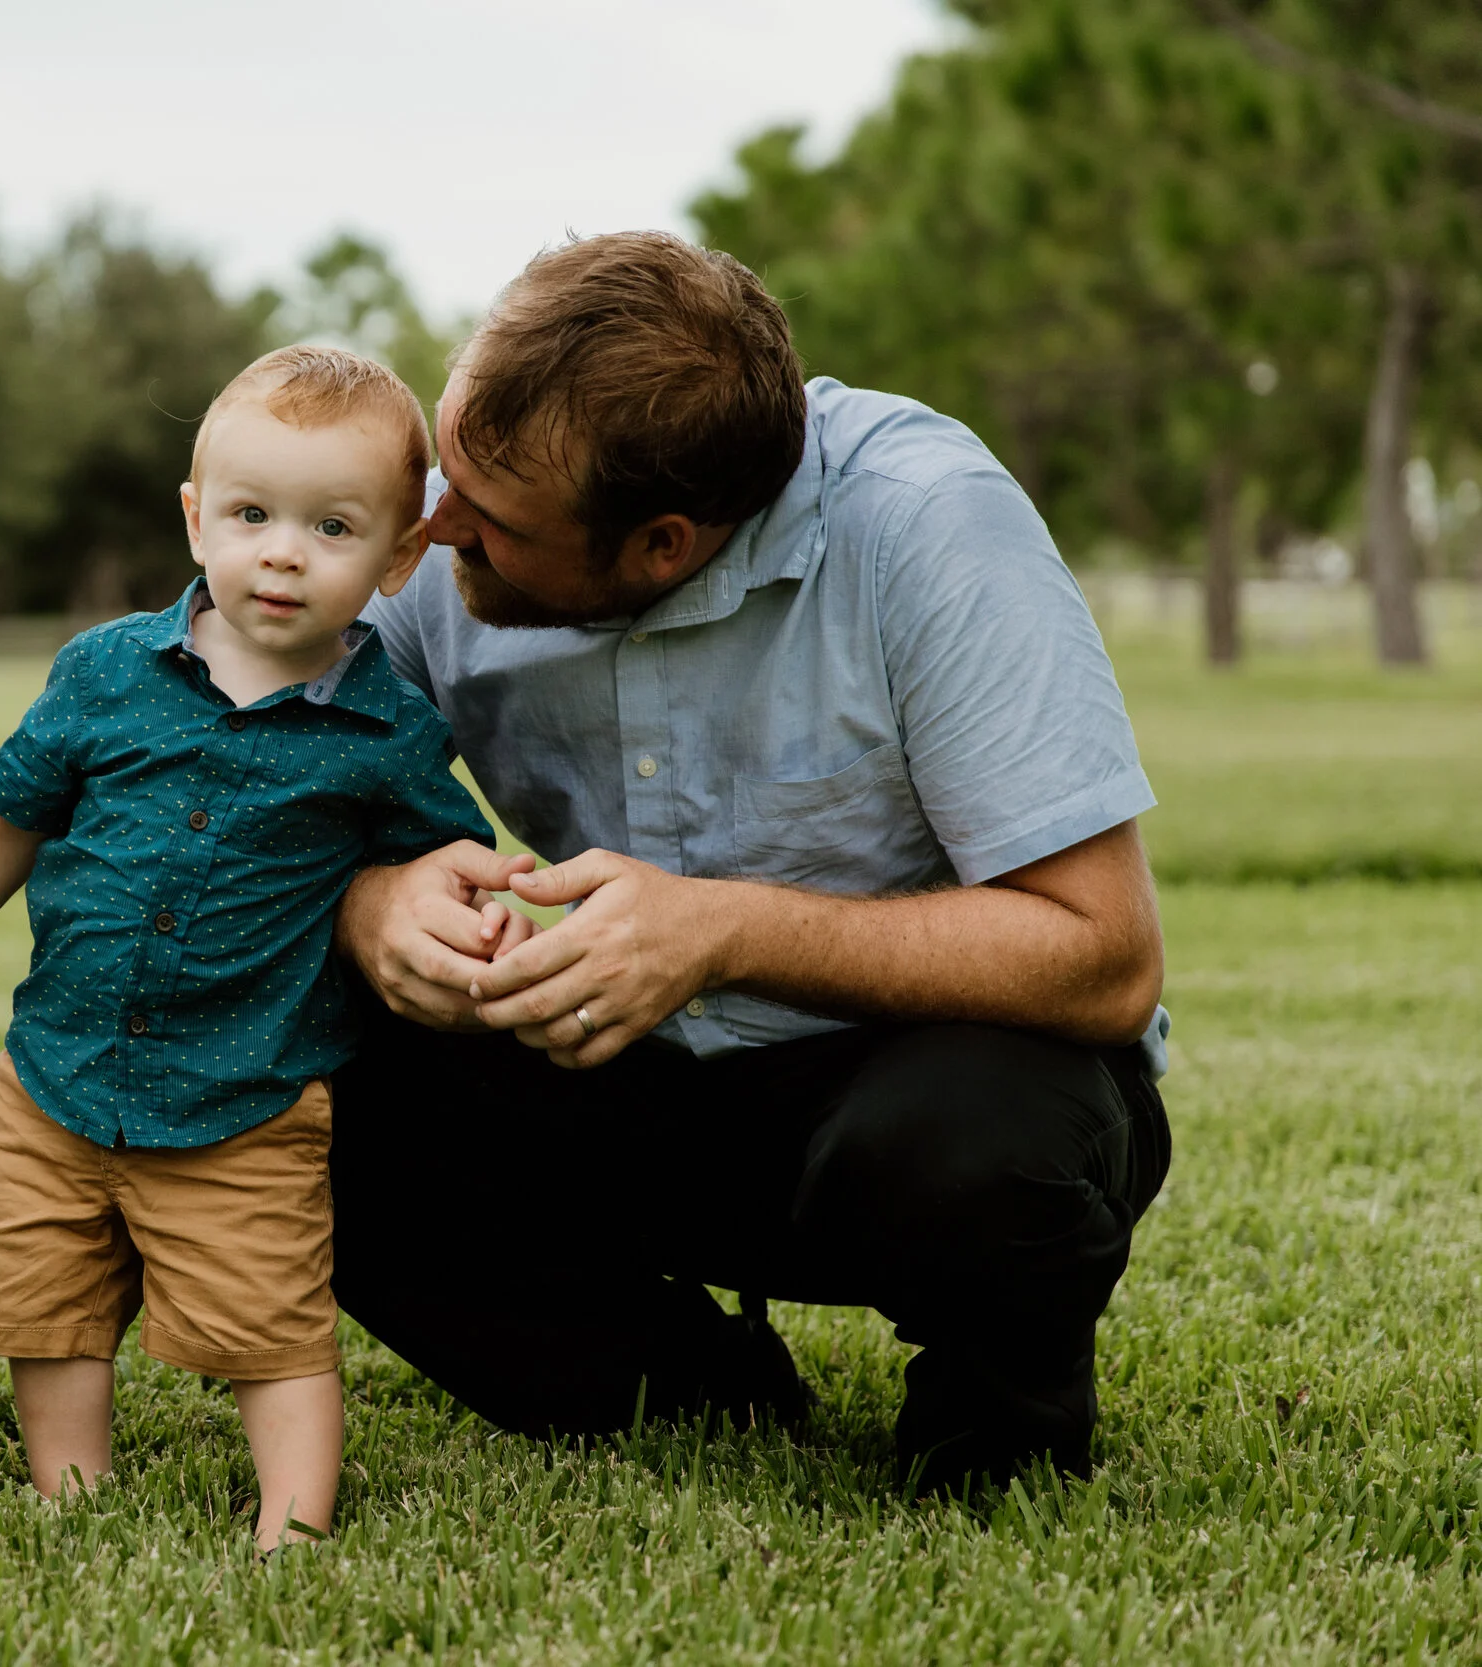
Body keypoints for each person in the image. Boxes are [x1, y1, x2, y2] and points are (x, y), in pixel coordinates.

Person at [331, 232, 1173, 1494]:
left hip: (916, 1089)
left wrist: (723, 931)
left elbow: (1103, 956)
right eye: (446, 470)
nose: (433, 524)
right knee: (270, 1025)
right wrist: (368, 900)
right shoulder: (452, 525)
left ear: (661, 544)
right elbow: (231, 777)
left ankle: (993, 1442)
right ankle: (682, 1388)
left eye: (488, 519)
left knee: (966, 1143)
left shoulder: (927, 522)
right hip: (618, 1079)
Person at [0, 347, 497, 1551]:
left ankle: (293, 1524)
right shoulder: (106, 671)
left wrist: (471, 915)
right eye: (251, 515)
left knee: (269, 1320)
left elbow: (444, 857)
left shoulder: (385, 730)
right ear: (194, 516)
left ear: (398, 557)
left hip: (246, 1097)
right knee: (45, 1300)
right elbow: (16, 810)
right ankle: (72, 1491)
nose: (283, 553)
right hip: (59, 1073)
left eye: (332, 527)